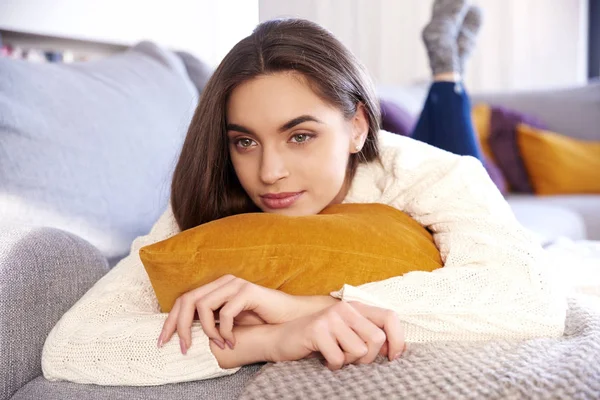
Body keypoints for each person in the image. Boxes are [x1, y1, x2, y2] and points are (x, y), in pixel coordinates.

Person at [41, 0, 566, 386]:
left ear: (357, 125)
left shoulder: (434, 174)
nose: (269, 173)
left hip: (434, 173)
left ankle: (448, 68)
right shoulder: (210, 193)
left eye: (300, 136)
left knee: (458, 140)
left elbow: (531, 300)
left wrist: (303, 305)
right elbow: (71, 348)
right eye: (245, 141)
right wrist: (266, 340)